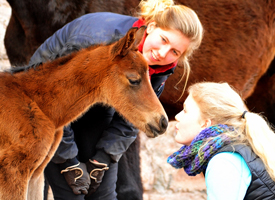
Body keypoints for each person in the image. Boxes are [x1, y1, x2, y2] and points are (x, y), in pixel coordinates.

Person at [25, 0, 204, 199]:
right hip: (46, 107)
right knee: (72, 193)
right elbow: (50, 101)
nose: (163, 53)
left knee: (104, 192)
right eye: (163, 40)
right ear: (151, 26)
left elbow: (133, 115)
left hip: (96, 106)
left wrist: (102, 160)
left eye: (175, 52)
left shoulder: (158, 65)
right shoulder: (95, 40)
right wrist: (69, 162)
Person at [167, 82, 275, 199]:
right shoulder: (237, 147)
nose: (177, 116)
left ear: (205, 123)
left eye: (185, 111)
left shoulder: (224, 160)